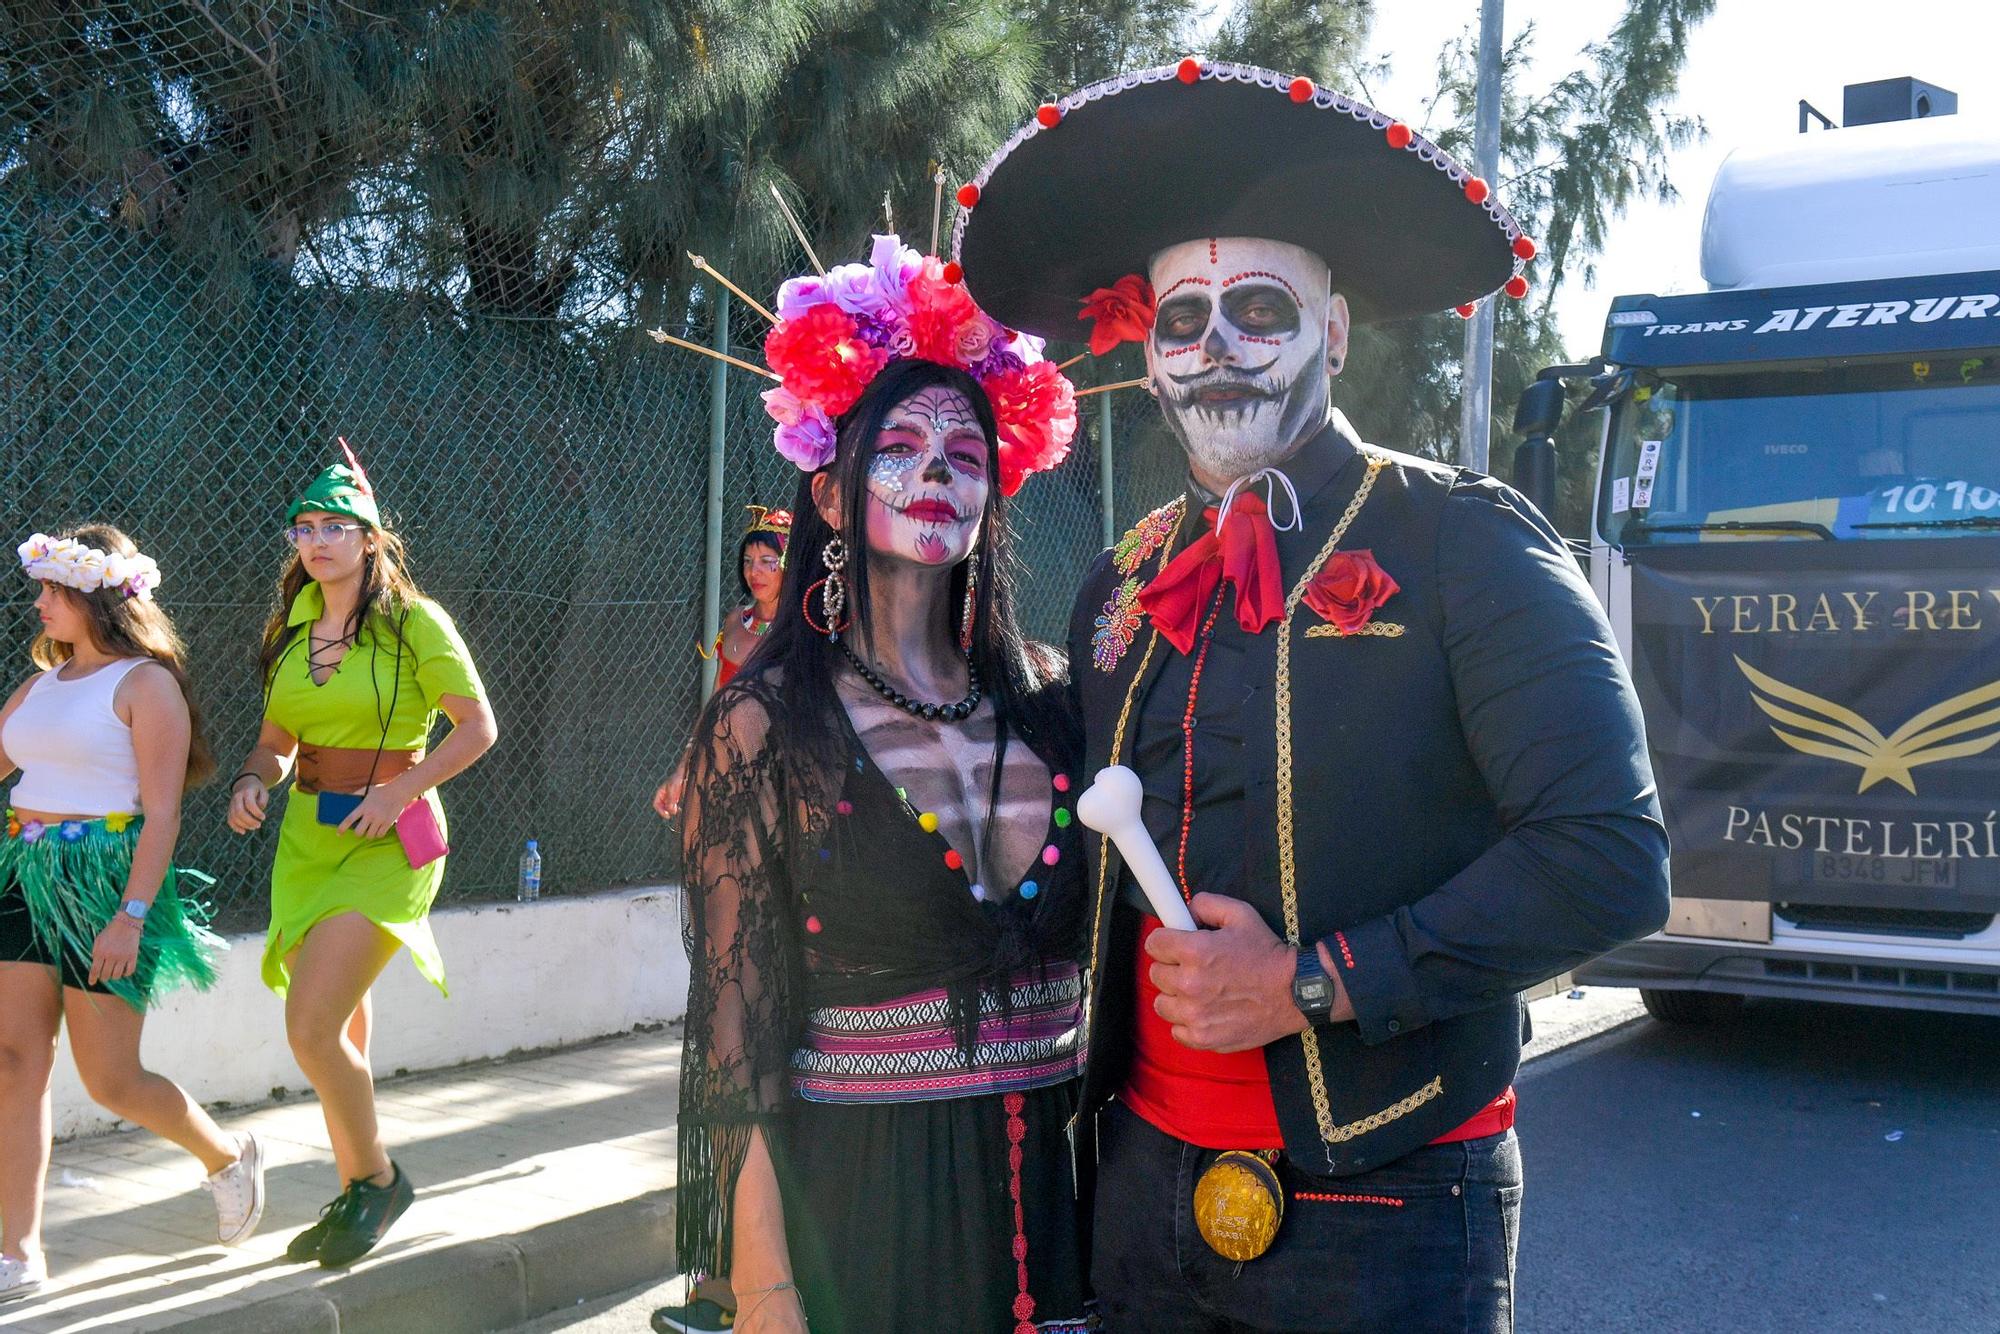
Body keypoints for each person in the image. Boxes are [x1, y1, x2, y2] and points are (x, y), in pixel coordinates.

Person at [957, 62, 1671, 1331]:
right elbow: (1055, 825)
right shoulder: (1121, 576)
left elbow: (1607, 859)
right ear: (1148, 354)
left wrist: (1310, 979)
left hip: (1388, 1205)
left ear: (1332, 333)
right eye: (1181, 319)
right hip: (1133, 1187)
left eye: (1258, 307)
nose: (1215, 347)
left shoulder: (1465, 541)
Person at [664, 233, 1092, 1334]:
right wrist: (764, 1294)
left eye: (965, 446)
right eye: (898, 444)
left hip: (1071, 1203)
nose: (939, 467)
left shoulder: (1053, 699)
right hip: (868, 1216)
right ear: (830, 490)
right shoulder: (765, 726)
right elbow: (733, 1050)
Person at [225, 448, 497, 1268]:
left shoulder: (416, 622)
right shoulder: (292, 625)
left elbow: (477, 727)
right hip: (308, 838)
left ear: (371, 538)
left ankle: (380, 1181)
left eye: (334, 527)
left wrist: (401, 791)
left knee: (309, 1026)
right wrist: (252, 777)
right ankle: (354, 1185)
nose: (317, 541)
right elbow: (279, 738)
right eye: (304, 528)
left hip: (389, 840)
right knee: (337, 1029)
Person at [0, 526, 263, 1303]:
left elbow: (163, 815)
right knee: (13, 1063)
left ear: (96, 597)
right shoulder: (45, 681)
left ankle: (225, 1157)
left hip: (108, 883)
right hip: (22, 871)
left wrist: (133, 915)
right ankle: (17, 1251)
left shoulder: (146, 685)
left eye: (52, 590)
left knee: (112, 1079)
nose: (39, 603)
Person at [653, 506, 792, 825]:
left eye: (767, 562)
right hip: (728, 770)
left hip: (785, 778)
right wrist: (682, 772)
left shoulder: (802, 629)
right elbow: (715, 705)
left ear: (788, 565)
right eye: (747, 561)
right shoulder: (734, 621)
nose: (753, 572)